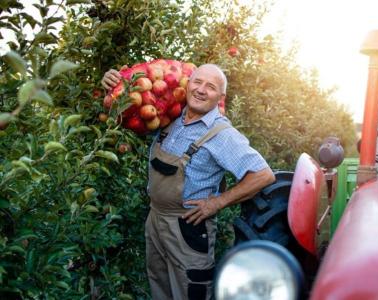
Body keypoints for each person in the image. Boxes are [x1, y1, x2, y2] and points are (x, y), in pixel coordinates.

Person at [102, 64, 275, 300]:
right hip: (156, 220)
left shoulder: (221, 134)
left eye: (211, 87)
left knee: (189, 290)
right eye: (198, 82)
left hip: (188, 227)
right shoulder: (171, 117)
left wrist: (217, 203)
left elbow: (263, 174)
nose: (202, 90)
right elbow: (125, 117)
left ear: (220, 97)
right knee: (159, 286)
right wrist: (115, 88)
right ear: (187, 83)